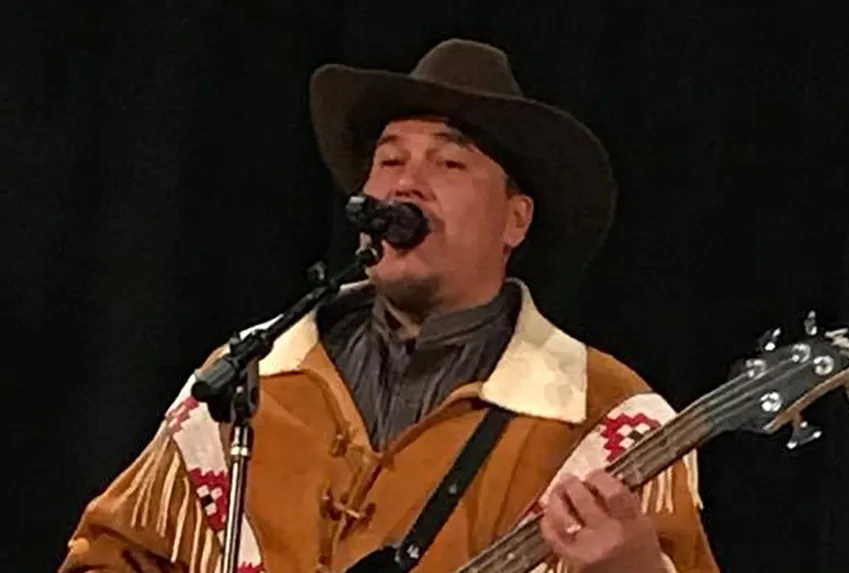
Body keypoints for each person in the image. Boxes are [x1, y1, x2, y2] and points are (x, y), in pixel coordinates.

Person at [59, 38, 718, 573]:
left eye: (449, 163)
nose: (405, 181)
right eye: (389, 158)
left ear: (515, 220)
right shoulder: (249, 378)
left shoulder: (608, 417)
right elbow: (112, 557)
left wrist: (634, 569)